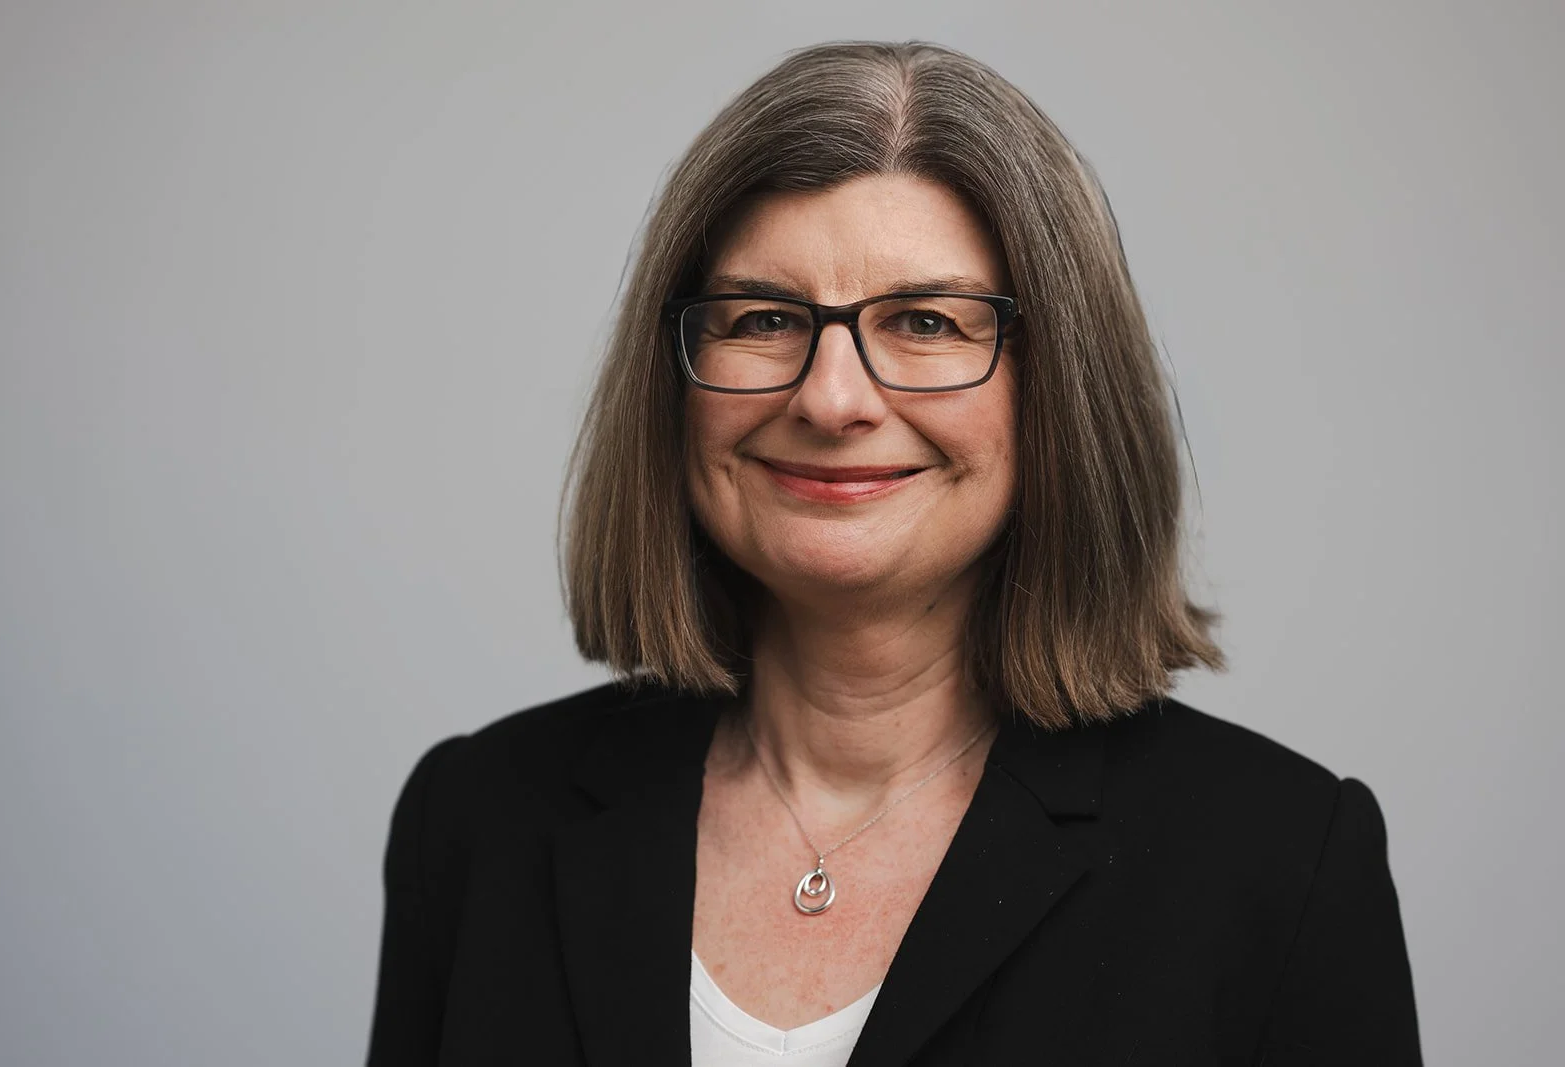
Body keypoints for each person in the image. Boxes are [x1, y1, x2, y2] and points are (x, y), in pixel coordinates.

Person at [364, 39, 1421, 1067]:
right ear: (676, 377)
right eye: (764, 317)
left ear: (1060, 391)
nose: (830, 398)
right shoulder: (479, 820)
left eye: (923, 321)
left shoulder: (1278, 863)